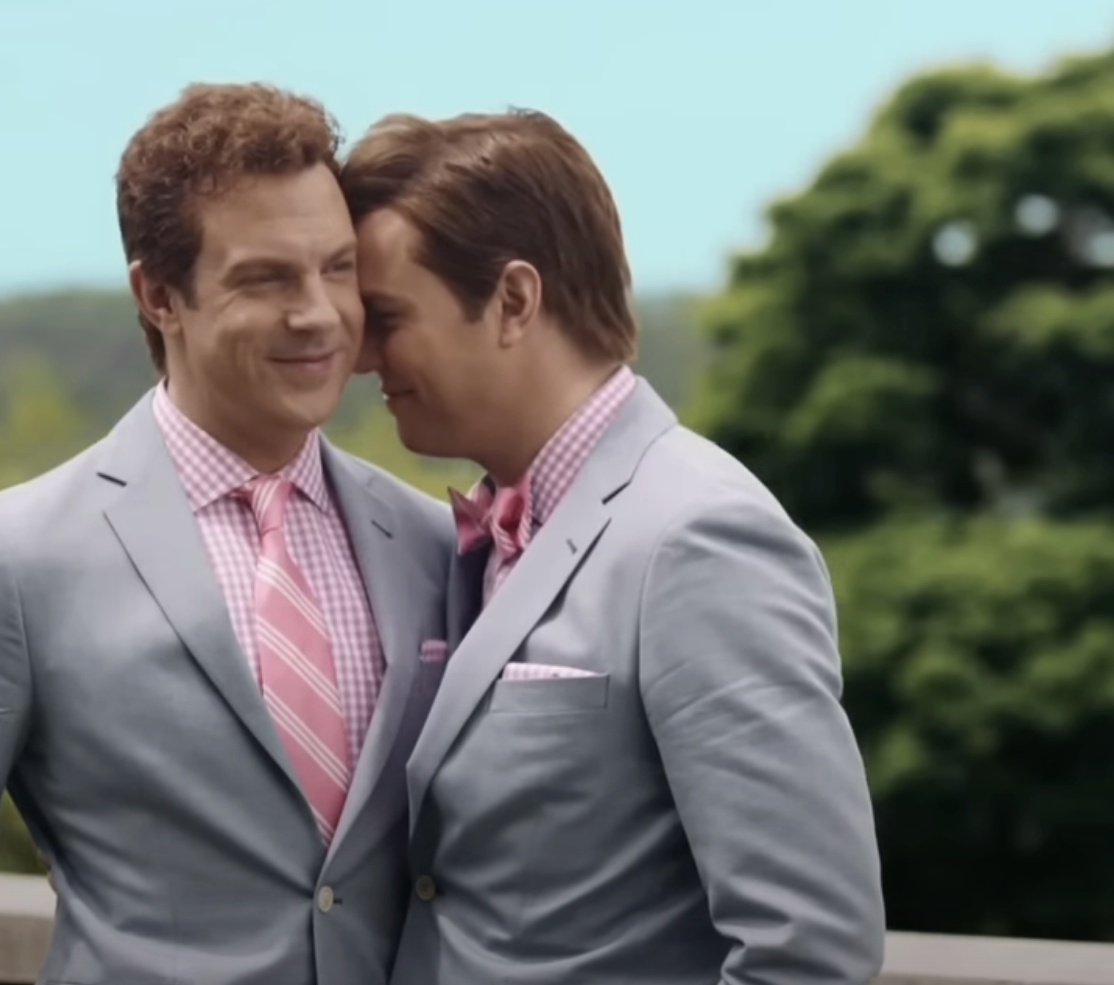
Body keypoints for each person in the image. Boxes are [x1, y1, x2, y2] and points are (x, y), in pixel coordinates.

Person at [0, 83, 454, 985]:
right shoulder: (10, 563)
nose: (318, 312)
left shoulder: (430, 542)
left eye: (337, 267)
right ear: (159, 295)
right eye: (265, 277)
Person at [343, 108, 886, 985]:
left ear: (514, 300)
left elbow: (810, 947)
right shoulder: (477, 535)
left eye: (387, 315)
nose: (362, 355)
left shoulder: (698, 537)